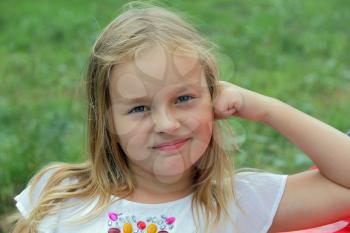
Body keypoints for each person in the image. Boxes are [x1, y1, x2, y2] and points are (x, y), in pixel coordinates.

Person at [11, 2, 350, 233]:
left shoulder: (237, 205)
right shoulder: (61, 194)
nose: (167, 123)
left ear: (213, 101)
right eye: (139, 108)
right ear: (108, 122)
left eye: (184, 99)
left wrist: (263, 108)